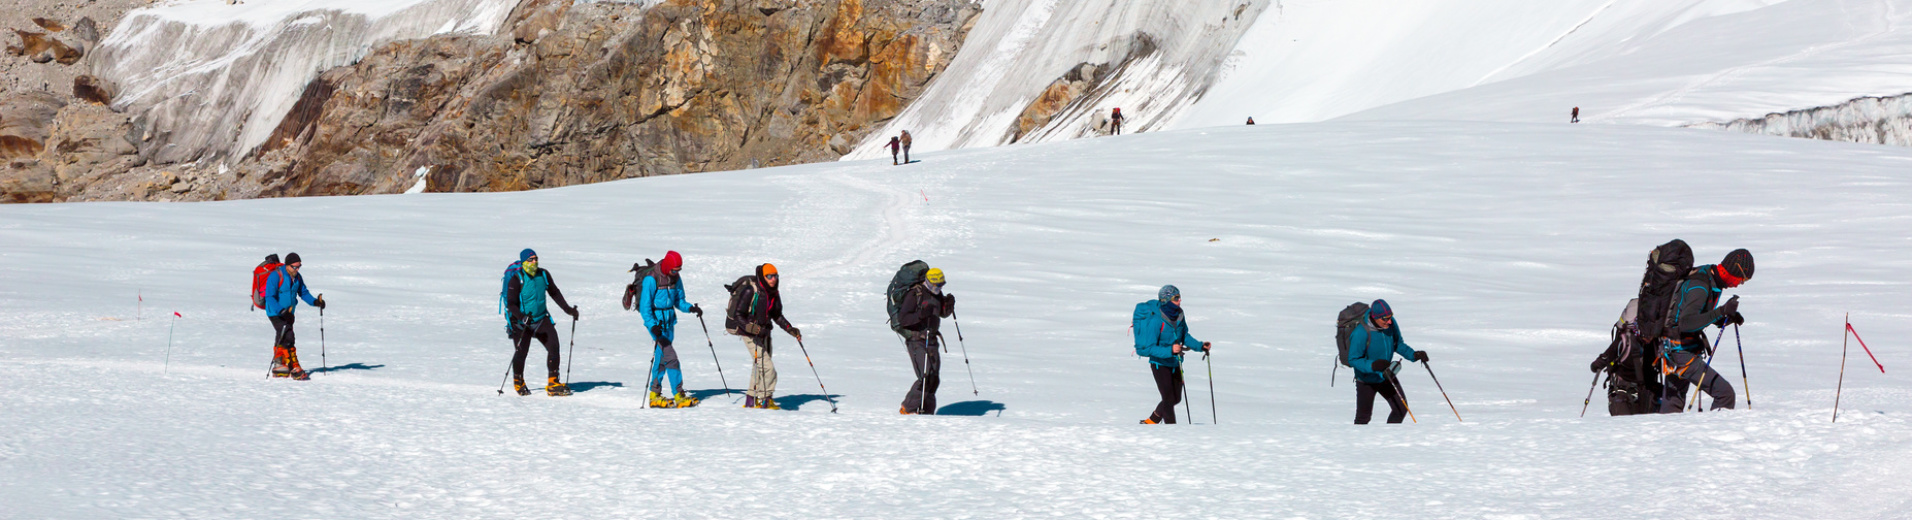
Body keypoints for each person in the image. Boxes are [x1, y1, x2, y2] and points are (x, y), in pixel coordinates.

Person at [1658, 249, 1753, 413]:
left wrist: (1723, 319)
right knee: (1724, 394)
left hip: (1673, 349)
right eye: (1741, 279)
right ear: (1734, 270)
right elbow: (1686, 323)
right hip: (1679, 351)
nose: (1739, 284)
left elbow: (1696, 313)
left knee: (1672, 406)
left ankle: (1666, 437)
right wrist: (1720, 311)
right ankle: (1715, 435)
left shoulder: (1709, 277)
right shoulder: (1701, 285)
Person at [504, 249, 580, 396]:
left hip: (540, 319)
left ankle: (553, 383)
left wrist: (568, 310)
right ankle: (518, 381)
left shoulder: (543, 274)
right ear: (524, 261)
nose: (534, 262)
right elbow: (511, 304)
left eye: (536, 259)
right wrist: (522, 317)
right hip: (521, 323)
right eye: (531, 259)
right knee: (521, 353)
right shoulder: (516, 279)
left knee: (554, 346)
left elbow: (554, 292)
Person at [726, 263, 802, 409]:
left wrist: (790, 329)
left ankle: (751, 399)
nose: (773, 279)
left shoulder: (773, 292)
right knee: (768, 368)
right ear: (763, 276)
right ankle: (764, 399)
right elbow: (739, 315)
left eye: (775, 276)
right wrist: (750, 327)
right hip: (749, 334)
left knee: (759, 366)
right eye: (769, 276)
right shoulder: (750, 290)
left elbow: (777, 315)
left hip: (764, 333)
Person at [1132, 285, 1210, 424]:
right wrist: (1169, 350)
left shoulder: (1179, 314)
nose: (1180, 300)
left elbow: (1184, 335)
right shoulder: (1156, 320)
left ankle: (1152, 420)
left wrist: (1200, 346)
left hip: (1176, 361)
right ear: (1166, 300)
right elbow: (1149, 348)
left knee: (1175, 398)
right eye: (1176, 298)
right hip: (1159, 364)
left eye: (1179, 297)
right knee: (1168, 399)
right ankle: (1171, 431)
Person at [641, 250, 704, 408]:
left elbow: (679, 301)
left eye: (679, 270)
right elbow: (645, 307)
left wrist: (690, 309)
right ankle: (679, 394)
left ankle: (655, 395)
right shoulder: (651, 279)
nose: (676, 273)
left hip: (669, 323)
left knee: (662, 359)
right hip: (657, 325)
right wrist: (652, 326)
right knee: (671, 358)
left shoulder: (676, 279)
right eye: (674, 270)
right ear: (668, 265)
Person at [1346, 299, 1426, 424]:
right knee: (1363, 418)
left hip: (1386, 375)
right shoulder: (1361, 333)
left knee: (1401, 408)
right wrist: (1372, 365)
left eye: (1390, 317)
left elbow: (1397, 344)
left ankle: (1390, 439)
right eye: (1385, 319)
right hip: (1366, 380)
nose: (1389, 321)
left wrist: (1414, 355)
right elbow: (1353, 359)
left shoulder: (1390, 324)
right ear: (1375, 317)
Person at [897, 267, 953, 414]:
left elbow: (940, 313)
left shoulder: (937, 293)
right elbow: (903, 319)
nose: (939, 288)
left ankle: (927, 412)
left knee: (934, 378)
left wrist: (948, 307)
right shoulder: (915, 294)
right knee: (925, 375)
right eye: (937, 285)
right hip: (917, 340)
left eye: (941, 285)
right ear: (928, 282)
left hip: (932, 338)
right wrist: (920, 315)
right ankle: (908, 408)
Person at [263, 252, 324, 380]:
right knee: (288, 336)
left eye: (299, 266)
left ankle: (279, 365)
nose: (297, 269)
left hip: (289, 313)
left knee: (282, 336)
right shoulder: (275, 276)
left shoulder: (297, 277)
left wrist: (315, 302)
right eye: (294, 267)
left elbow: (303, 293)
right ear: (287, 265)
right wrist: (281, 311)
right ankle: (293, 366)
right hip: (275, 312)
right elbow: (269, 297)